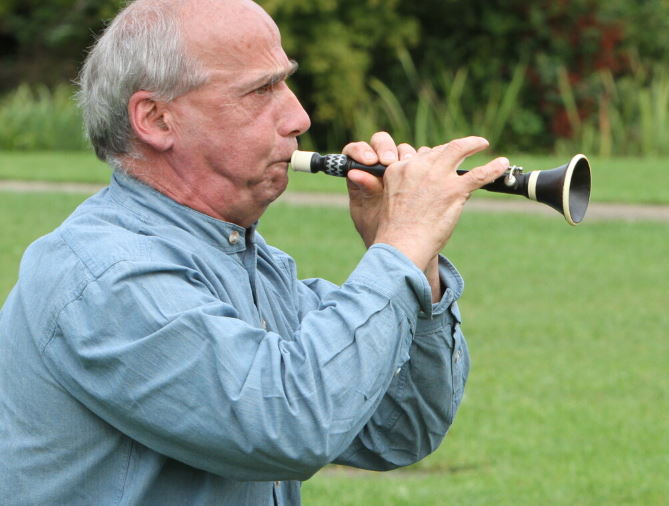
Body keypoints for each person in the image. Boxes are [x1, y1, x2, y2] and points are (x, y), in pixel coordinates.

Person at [0, 0, 509, 503]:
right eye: (261, 89)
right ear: (155, 119)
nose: (299, 117)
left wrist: (412, 262)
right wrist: (401, 247)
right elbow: (290, 428)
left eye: (285, 82)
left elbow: (400, 429)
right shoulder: (107, 276)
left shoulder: (250, 265)